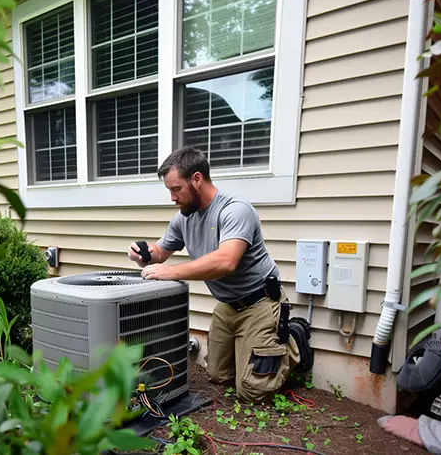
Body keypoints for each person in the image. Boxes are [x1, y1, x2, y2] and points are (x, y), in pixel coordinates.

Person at [127, 147, 312, 403]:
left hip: (259, 303)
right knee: (217, 376)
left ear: (197, 179)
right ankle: (256, 351)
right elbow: (160, 253)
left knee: (252, 393)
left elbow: (226, 261)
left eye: (176, 189)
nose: (172, 198)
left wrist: (171, 272)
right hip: (227, 306)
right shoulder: (184, 218)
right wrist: (143, 254)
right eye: (169, 191)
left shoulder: (235, 209)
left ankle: (293, 338)